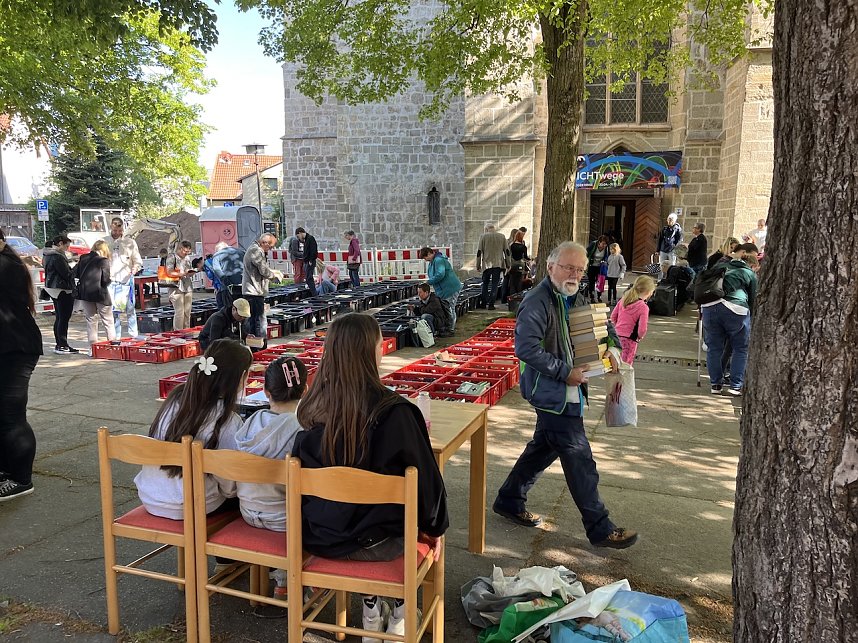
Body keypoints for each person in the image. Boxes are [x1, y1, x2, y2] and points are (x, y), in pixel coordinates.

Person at [293, 313, 447, 639]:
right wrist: (434, 530)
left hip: (320, 539)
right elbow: (429, 492)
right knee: (417, 521)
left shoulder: (310, 410)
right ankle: (399, 609)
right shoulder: (397, 414)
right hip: (379, 546)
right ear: (372, 352)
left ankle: (373, 605)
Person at [492, 241, 638, 549]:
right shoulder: (537, 300)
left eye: (580, 269)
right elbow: (526, 349)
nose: (574, 274)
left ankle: (509, 499)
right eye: (568, 267)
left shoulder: (577, 295)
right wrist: (564, 372)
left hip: (572, 389)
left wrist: (612, 349)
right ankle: (600, 528)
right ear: (550, 267)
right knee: (579, 458)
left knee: (543, 448)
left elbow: (604, 326)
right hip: (552, 394)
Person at [134, 339, 252, 519]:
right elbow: (229, 486)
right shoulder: (228, 420)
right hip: (195, 505)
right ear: (242, 376)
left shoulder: (174, 399)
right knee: (248, 498)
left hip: (150, 497)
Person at [234, 356, 307, 600]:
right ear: (306, 390)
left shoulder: (249, 424)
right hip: (286, 520)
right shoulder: (303, 430)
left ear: (266, 392)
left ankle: (280, 575)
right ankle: (294, 578)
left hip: (248, 512)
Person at [0, 228, 43, 501]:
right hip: (8, 346)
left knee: (11, 416)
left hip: (17, 348)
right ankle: (6, 470)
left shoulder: (7, 264)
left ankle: (21, 479)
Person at [701, 252, 758, 396]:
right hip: (736, 309)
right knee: (740, 348)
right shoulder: (749, 273)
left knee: (714, 348)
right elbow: (753, 299)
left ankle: (715, 385)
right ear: (752, 265)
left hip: (709, 306)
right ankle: (735, 386)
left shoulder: (720, 266)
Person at [103, 217, 143, 339]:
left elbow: (137, 260)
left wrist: (135, 268)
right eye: (115, 230)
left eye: (120, 231)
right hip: (110, 280)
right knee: (113, 311)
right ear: (111, 227)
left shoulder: (130, 242)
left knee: (130, 309)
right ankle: (116, 338)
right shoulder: (104, 242)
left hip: (126, 279)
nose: (117, 233)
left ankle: (133, 335)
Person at [242, 233, 283, 349]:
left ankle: (254, 346)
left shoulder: (255, 249)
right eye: (270, 247)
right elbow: (263, 270)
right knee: (259, 321)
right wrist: (274, 277)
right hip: (254, 291)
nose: (270, 250)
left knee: (254, 321)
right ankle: (259, 347)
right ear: (265, 243)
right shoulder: (256, 251)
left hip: (254, 290)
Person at [42, 235, 80, 354]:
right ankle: (62, 345)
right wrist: (77, 266)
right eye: (66, 246)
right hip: (62, 289)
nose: (67, 249)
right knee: (63, 318)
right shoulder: (57, 256)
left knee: (59, 317)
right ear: (60, 244)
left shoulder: (47, 254)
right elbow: (67, 274)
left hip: (52, 288)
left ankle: (60, 344)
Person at [75, 240, 117, 345]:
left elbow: (76, 273)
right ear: (104, 250)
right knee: (108, 321)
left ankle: (92, 348)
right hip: (100, 294)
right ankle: (113, 346)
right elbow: (105, 280)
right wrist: (111, 280)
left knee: (91, 320)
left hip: (85, 293)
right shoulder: (103, 260)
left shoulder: (83, 258)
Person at [610, 275, 656, 364]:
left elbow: (613, 317)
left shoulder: (623, 300)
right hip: (630, 339)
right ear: (649, 292)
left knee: (615, 363)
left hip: (616, 336)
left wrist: (619, 327)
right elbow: (642, 329)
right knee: (626, 365)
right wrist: (640, 336)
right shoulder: (643, 307)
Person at [419, 247, 462, 333]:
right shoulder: (432, 262)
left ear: (429, 254)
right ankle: (447, 327)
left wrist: (429, 282)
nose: (425, 260)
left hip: (450, 288)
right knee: (445, 309)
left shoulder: (438, 261)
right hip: (443, 290)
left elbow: (440, 274)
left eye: (425, 257)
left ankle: (450, 329)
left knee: (449, 308)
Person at [475, 223, 510, 310]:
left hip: (486, 264)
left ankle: (483, 303)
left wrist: (478, 265)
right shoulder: (502, 237)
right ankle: (491, 304)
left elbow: (479, 252)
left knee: (485, 283)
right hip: (498, 264)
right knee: (495, 284)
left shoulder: (483, 237)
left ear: (486, 229)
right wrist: (508, 264)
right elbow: (507, 251)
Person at [164, 241, 195, 331]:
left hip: (187, 286)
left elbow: (188, 270)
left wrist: (191, 272)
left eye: (188, 252)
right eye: (185, 251)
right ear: (180, 249)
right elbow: (169, 272)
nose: (186, 253)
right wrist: (182, 274)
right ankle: (178, 331)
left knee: (187, 312)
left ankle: (187, 330)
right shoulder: (172, 257)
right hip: (176, 287)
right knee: (179, 312)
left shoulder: (187, 258)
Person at [211, 241, 245, 311]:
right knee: (243, 309)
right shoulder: (242, 252)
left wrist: (227, 283)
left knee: (229, 310)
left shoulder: (217, 255)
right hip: (243, 285)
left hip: (228, 288)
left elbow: (217, 270)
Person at [656, 213, 683, 280]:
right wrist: (657, 250)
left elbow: (679, 240)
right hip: (663, 249)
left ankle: (671, 279)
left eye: (670, 220)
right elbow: (660, 239)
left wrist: (675, 248)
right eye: (668, 219)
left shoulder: (677, 229)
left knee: (672, 265)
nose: (669, 221)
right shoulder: (664, 229)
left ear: (674, 220)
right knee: (661, 265)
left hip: (672, 250)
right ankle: (660, 279)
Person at [506, 230, 530, 301]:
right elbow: (525, 257)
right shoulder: (523, 247)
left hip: (513, 265)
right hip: (520, 265)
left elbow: (509, 255)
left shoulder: (511, 245)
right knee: (519, 282)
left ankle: (511, 299)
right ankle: (518, 298)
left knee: (512, 282)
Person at [585, 235, 609, 303]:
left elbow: (607, 256)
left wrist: (605, 261)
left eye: (606, 244)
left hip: (600, 267)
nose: (604, 245)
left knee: (600, 281)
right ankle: (592, 296)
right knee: (591, 281)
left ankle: (599, 296)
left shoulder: (606, 248)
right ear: (599, 242)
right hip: (592, 266)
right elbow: (586, 253)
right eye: (603, 243)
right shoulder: (593, 244)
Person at [295, 227, 318, 296]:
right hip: (307, 261)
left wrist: (311, 260)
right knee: (308, 278)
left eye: (298, 236)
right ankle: (313, 293)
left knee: (309, 278)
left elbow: (314, 250)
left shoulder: (310, 238)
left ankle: (314, 293)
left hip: (309, 261)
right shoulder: (306, 239)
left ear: (300, 233)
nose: (298, 238)